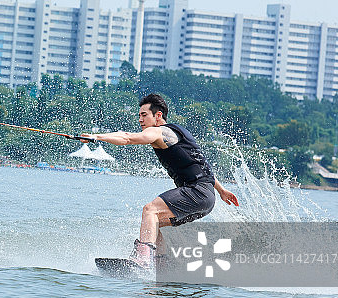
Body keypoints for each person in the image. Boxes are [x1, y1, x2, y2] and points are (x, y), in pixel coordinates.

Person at [82, 93, 239, 269]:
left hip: (197, 192)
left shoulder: (159, 132)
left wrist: (96, 137)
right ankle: (163, 266)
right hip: (206, 197)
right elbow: (202, 166)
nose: (140, 120)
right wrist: (221, 191)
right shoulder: (179, 133)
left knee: (150, 210)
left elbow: (127, 138)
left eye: (144, 115)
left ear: (158, 116)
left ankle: (142, 259)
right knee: (152, 224)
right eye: (139, 115)